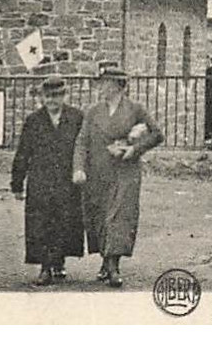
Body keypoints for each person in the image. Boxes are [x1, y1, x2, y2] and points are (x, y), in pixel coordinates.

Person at [72, 63, 163, 288]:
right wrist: (79, 168)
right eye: (101, 84)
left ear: (117, 86)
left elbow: (157, 134)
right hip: (98, 172)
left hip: (125, 172)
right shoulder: (93, 112)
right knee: (100, 218)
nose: (102, 88)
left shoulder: (135, 109)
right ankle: (106, 260)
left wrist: (134, 149)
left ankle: (113, 267)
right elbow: (82, 141)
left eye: (105, 83)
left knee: (119, 217)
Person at [10, 75, 85, 286]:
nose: (52, 101)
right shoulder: (34, 121)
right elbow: (23, 152)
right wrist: (17, 183)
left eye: (56, 96)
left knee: (64, 222)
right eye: (48, 96)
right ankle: (45, 267)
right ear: (42, 97)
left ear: (64, 96)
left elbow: (84, 149)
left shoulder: (76, 117)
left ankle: (58, 261)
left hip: (66, 181)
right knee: (40, 223)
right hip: (40, 180)